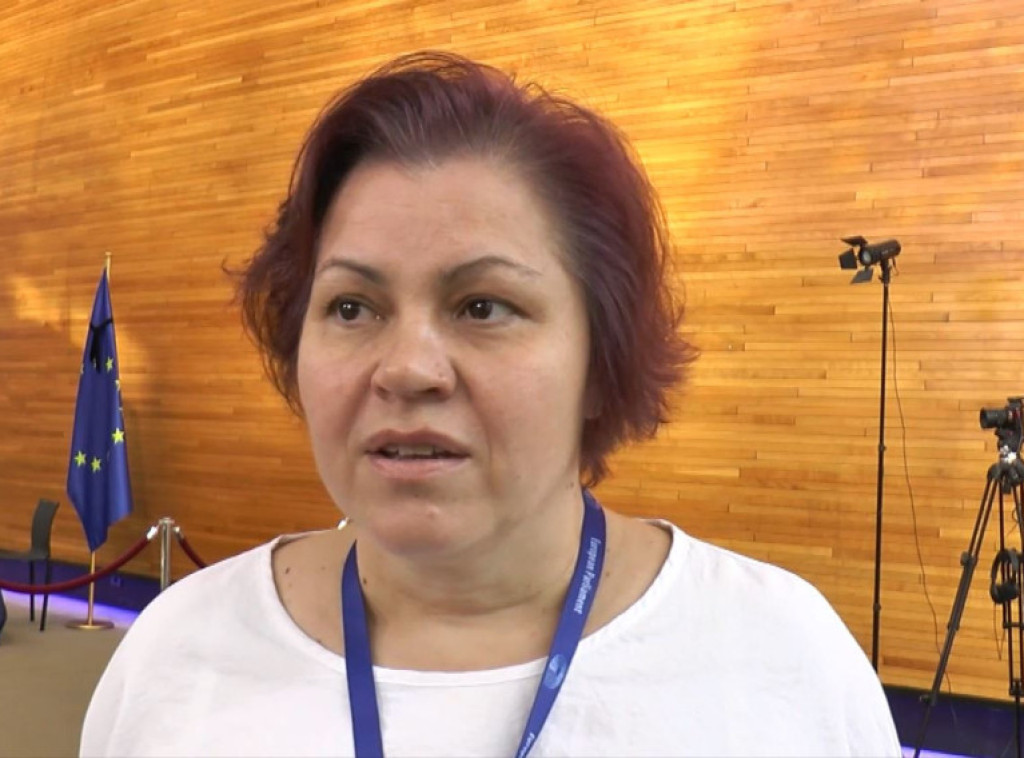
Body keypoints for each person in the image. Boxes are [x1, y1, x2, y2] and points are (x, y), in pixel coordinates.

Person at [80, 52, 901, 757]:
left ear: (600, 359)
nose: (408, 369)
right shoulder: (177, 658)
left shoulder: (780, 662)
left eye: (482, 306)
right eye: (352, 307)